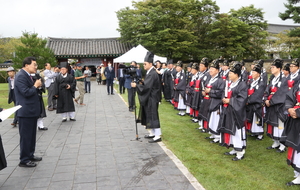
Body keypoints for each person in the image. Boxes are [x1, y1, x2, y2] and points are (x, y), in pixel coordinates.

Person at [14, 56, 42, 167]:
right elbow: (26, 92)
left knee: (31, 135)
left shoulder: (28, 75)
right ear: (26, 65)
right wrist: (35, 86)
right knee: (26, 136)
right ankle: (24, 159)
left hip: (31, 110)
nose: (36, 67)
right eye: (34, 64)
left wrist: (38, 86)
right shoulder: (20, 76)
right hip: (25, 111)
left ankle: (30, 154)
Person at [217, 62, 248, 161]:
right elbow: (224, 93)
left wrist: (230, 101)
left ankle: (240, 152)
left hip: (237, 112)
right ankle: (234, 148)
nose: (228, 75)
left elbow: (242, 99)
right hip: (229, 110)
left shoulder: (242, 85)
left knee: (237, 131)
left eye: (231, 73)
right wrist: (224, 98)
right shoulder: (230, 84)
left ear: (236, 74)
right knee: (230, 129)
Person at [132, 52, 162, 143]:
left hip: (152, 97)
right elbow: (147, 84)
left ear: (150, 64)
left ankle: (157, 135)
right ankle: (152, 133)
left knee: (153, 115)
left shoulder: (152, 73)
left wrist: (136, 85)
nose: (143, 65)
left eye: (145, 64)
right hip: (150, 97)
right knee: (150, 114)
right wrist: (141, 82)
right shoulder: (150, 72)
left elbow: (147, 87)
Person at [264, 59, 288, 153]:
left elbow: (282, 93)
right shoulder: (273, 78)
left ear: (279, 68)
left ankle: (282, 145)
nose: (271, 69)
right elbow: (267, 89)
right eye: (271, 67)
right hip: (271, 104)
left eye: (273, 67)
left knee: (280, 125)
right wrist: (266, 98)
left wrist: (271, 101)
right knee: (273, 124)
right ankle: (275, 142)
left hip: (279, 105)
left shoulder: (284, 79)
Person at [281, 81, 300, 186]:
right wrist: (289, 108)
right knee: (296, 145)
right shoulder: (298, 84)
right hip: (295, 119)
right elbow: (289, 96)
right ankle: (298, 175)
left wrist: (298, 112)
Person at [201, 59, 225, 143]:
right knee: (210, 118)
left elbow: (221, 92)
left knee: (215, 119)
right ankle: (212, 133)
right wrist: (204, 92)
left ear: (217, 70)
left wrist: (210, 92)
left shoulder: (220, 80)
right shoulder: (210, 78)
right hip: (209, 101)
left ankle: (217, 136)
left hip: (216, 103)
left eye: (212, 69)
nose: (210, 70)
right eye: (210, 69)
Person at [245, 64, 266, 140]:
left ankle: (260, 134)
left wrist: (249, 101)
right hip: (250, 102)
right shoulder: (250, 82)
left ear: (258, 74)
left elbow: (258, 94)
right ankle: (253, 132)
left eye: (254, 72)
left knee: (257, 118)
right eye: (252, 72)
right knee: (252, 118)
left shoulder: (261, 83)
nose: (252, 74)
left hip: (257, 103)